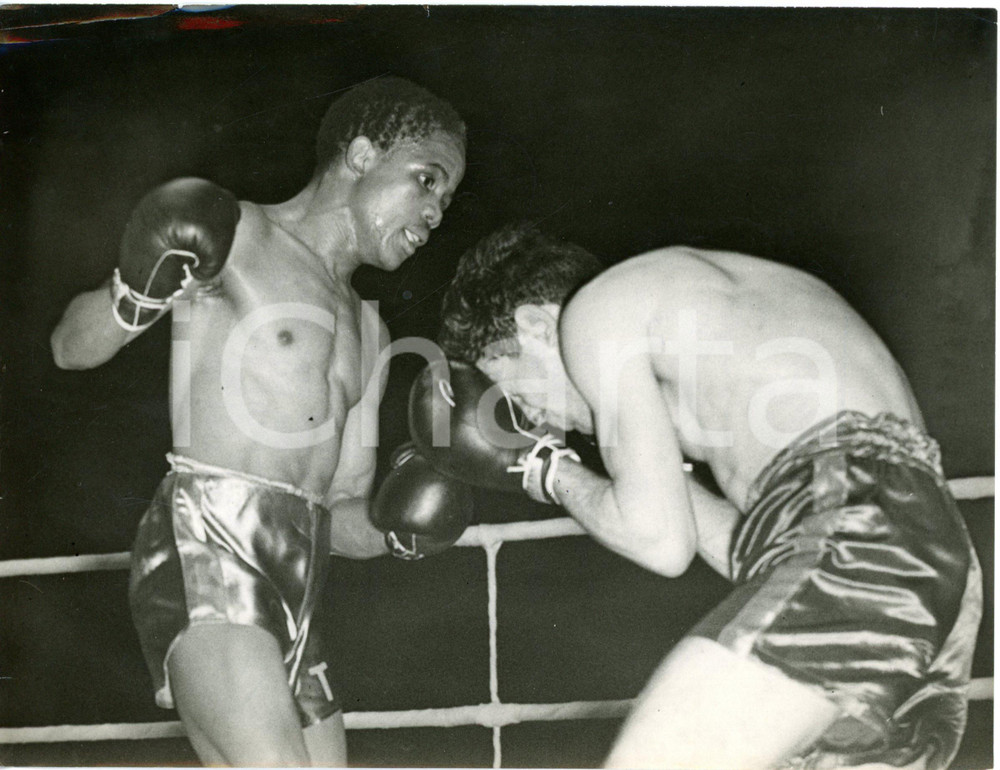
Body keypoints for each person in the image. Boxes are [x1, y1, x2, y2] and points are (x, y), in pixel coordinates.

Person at [412, 223, 982, 769]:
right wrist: (667, 480)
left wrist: (540, 468)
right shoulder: (703, 312)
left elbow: (660, 543)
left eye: (518, 392)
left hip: (859, 540)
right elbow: (762, 552)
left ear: (536, 323)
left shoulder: (593, 312)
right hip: (927, 568)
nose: (536, 420)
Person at [50, 76, 467, 767]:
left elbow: (340, 508)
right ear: (361, 155)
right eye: (426, 181)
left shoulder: (372, 328)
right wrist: (132, 291)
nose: (434, 213)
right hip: (209, 544)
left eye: (446, 200)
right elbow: (70, 348)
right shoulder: (236, 233)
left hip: (299, 584)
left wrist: (404, 527)